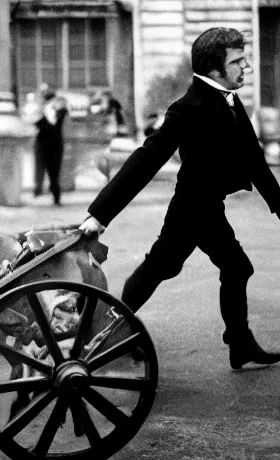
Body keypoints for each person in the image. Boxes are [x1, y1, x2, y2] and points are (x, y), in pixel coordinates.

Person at [79, 27, 280, 370]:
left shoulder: (231, 101)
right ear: (215, 70)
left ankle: (238, 344)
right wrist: (99, 214)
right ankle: (106, 335)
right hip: (191, 210)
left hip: (206, 208)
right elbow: (145, 160)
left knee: (168, 268)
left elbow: (255, 162)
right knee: (171, 268)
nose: (245, 66)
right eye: (237, 61)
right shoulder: (187, 108)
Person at [33, 89, 68, 206]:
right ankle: (39, 190)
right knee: (41, 168)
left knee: (54, 172)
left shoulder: (61, 112)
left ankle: (56, 196)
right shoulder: (42, 113)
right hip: (43, 144)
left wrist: (43, 123)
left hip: (55, 146)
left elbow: (56, 129)